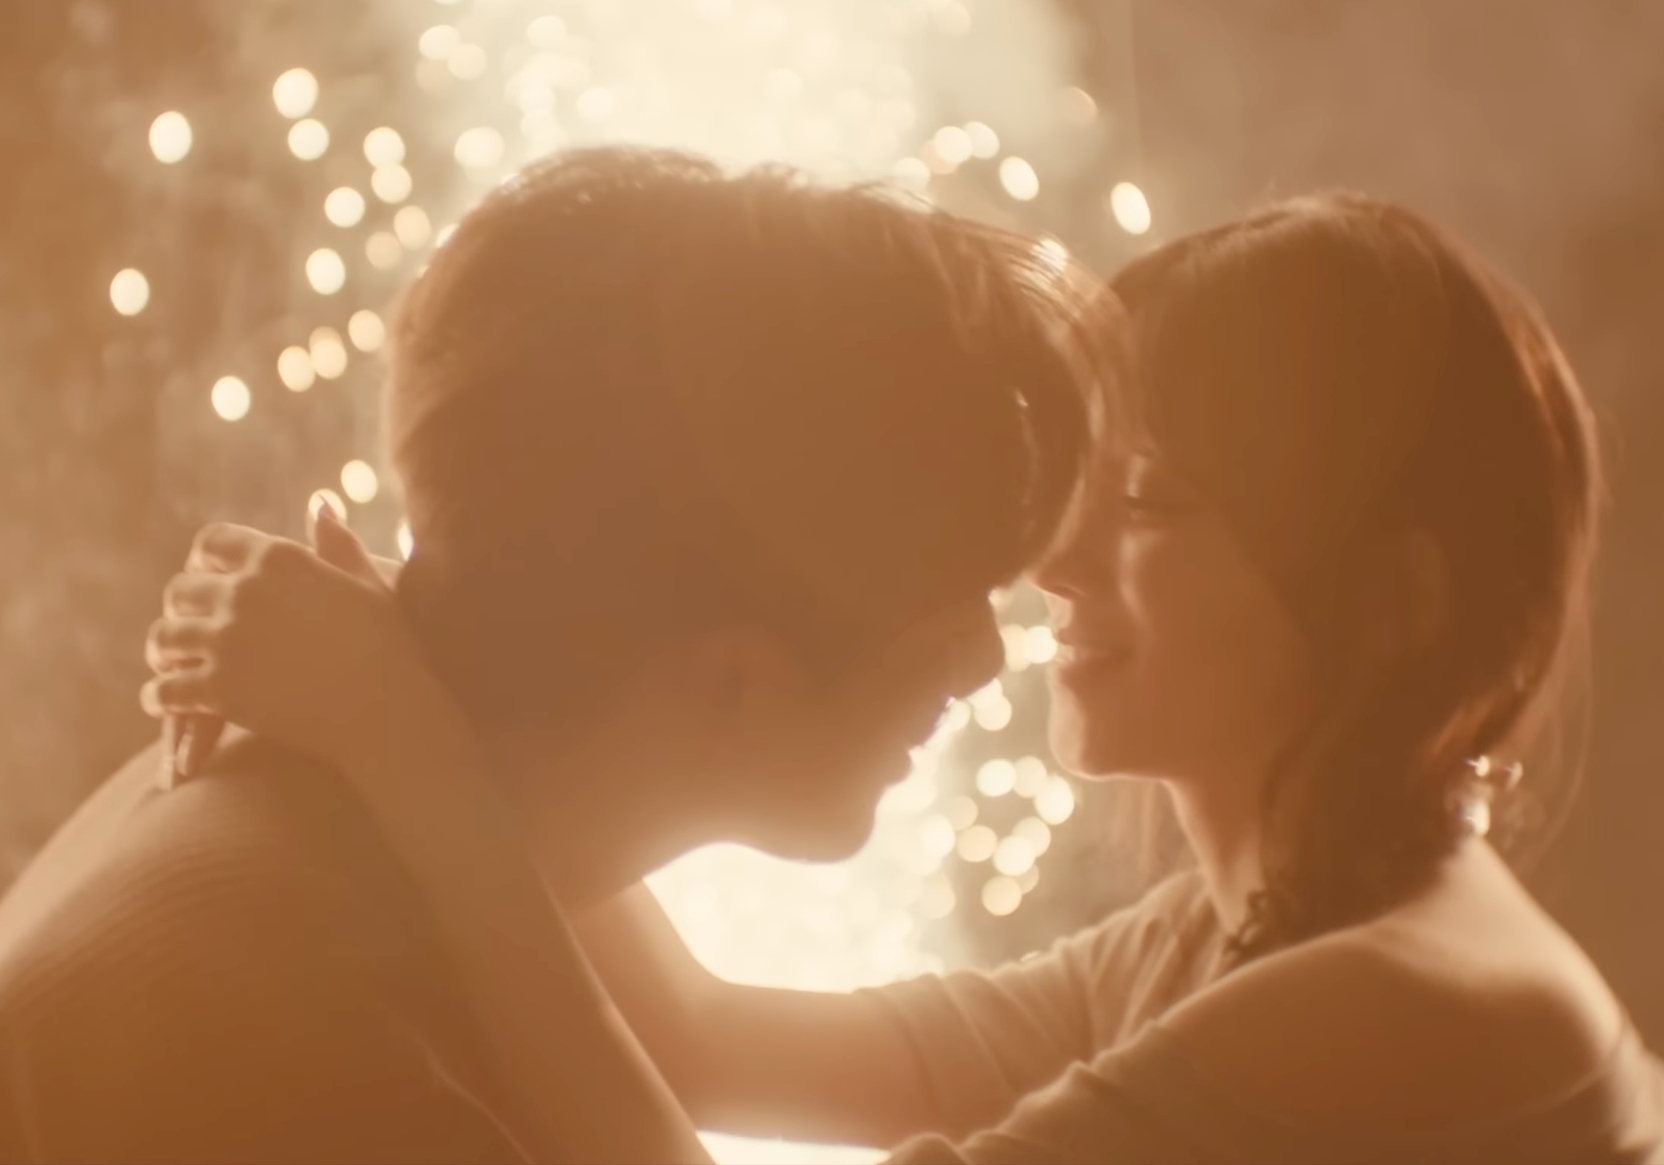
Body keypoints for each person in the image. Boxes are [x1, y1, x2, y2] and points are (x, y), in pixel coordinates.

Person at [144, 192, 1664, 1164]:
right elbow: (706, 1042)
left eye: (1148, 503)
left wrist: (406, 737)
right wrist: (439, 663)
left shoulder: (1398, 1005)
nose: (1051, 566)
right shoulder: (1243, 932)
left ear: (1384, 608)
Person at [0, 146, 1105, 1163]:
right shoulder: (314, 1047)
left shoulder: (331, 807)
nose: (980, 660)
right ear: (732, 681)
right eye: (943, 604)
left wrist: (405, 730)